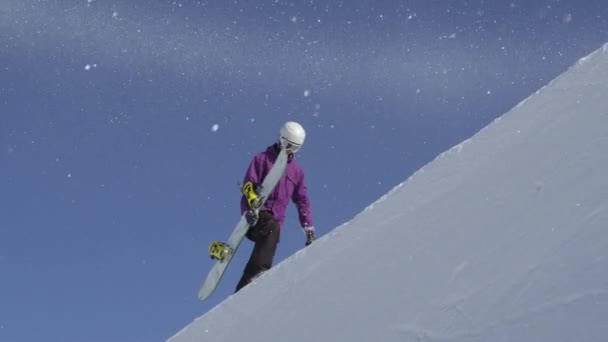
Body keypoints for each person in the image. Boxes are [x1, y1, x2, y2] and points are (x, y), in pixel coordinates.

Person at [235, 121, 316, 292]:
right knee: (271, 227)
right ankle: (257, 273)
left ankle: (245, 287)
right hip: (256, 216)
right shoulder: (262, 160)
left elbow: (302, 200)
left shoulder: (296, 172)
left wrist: (308, 228)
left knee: (272, 235)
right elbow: (248, 187)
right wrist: (248, 212)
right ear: (281, 139)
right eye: (287, 145)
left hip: (274, 225)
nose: (289, 150)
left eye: (294, 148)